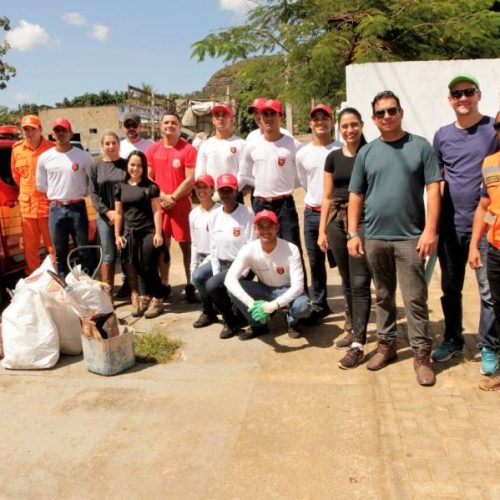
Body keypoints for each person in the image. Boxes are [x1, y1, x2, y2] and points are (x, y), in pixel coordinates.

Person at [347, 90, 441, 386]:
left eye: (391, 111)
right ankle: (385, 346)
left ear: (400, 112)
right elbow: (355, 195)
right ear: (373, 119)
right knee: (384, 296)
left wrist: (430, 231)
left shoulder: (421, 147)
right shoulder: (367, 152)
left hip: (410, 238)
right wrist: (352, 232)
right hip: (374, 237)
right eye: (380, 113)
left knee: (415, 298)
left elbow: (434, 189)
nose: (386, 117)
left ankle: (421, 356)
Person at [432, 73, 499, 371]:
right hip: (450, 227)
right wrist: (431, 225)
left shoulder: (492, 130)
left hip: (485, 227)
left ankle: (488, 347)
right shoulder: (442, 136)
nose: (463, 98)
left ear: (478, 95)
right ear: (450, 100)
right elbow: (438, 182)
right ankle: (452, 338)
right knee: (450, 287)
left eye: (468, 92)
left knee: (488, 292)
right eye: (456, 94)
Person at [318, 107, 372, 369]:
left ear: (361, 125)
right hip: (335, 221)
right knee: (346, 278)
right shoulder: (333, 157)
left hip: (361, 220)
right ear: (339, 128)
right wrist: (321, 230)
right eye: (345, 126)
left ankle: (359, 339)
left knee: (361, 280)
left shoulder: (371, 153)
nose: (349, 130)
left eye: (354, 125)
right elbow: (326, 196)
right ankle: (351, 326)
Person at [225, 209, 313, 340]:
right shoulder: (248, 249)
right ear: (255, 229)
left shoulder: (291, 249)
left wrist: (274, 305)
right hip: (264, 289)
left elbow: (298, 286)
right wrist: (251, 304)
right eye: (261, 227)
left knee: (303, 307)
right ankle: (257, 324)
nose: (265, 230)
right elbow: (229, 279)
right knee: (232, 289)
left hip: (286, 289)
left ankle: (292, 321)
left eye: (270, 226)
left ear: (277, 227)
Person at [297, 104, 342, 320]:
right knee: (315, 263)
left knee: (343, 261)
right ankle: (320, 304)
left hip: (336, 214)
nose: (320, 122)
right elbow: (306, 182)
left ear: (331, 122)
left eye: (325, 118)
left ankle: (351, 307)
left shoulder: (340, 149)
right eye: (316, 119)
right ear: (310, 123)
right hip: (312, 213)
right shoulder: (303, 153)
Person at [239, 99, 303, 250]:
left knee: (292, 248)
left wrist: (285, 185)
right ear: (260, 117)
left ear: (281, 117)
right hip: (261, 204)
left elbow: (301, 176)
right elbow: (244, 174)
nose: (268, 118)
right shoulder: (252, 146)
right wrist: (263, 183)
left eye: (273, 114)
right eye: (264, 114)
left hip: (285, 205)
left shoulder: (293, 145)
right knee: (263, 250)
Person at [147, 112, 197, 303]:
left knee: (187, 246)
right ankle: (165, 283)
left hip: (181, 204)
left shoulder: (188, 149)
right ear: (160, 126)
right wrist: (162, 196)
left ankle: (191, 283)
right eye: (166, 122)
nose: (169, 125)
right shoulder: (153, 150)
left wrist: (174, 197)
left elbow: (190, 178)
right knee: (162, 247)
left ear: (179, 126)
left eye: (173, 123)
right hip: (160, 206)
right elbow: (149, 178)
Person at [36, 118, 95, 276]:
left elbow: (92, 181)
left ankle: (87, 288)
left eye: (64, 130)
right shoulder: (44, 158)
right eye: (57, 131)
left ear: (71, 133)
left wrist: (82, 191)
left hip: (78, 208)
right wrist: (59, 194)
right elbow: (41, 184)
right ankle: (64, 289)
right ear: (53, 135)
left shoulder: (83, 157)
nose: (61, 133)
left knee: (83, 251)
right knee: (60, 253)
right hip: (56, 210)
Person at [468, 111, 500, 389]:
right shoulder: (490, 164)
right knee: (494, 303)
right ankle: (494, 359)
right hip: (495, 247)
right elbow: (485, 207)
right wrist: (475, 243)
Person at [114, 150, 164, 319]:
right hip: (130, 234)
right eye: (132, 165)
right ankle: (144, 297)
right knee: (136, 265)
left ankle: (157, 298)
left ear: (144, 167)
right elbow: (119, 213)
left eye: (139, 165)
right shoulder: (120, 186)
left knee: (148, 266)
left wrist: (158, 233)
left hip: (148, 231)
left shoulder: (150, 187)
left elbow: (157, 210)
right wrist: (118, 235)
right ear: (127, 166)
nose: (135, 168)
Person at [205, 173, 254, 339]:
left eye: (229, 191)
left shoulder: (247, 212)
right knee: (212, 284)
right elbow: (213, 246)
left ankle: (233, 319)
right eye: (222, 191)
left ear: (236, 191)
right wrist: (216, 271)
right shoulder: (213, 216)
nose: (226, 195)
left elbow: (251, 243)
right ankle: (230, 321)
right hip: (223, 264)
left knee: (212, 285)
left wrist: (244, 270)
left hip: (241, 265)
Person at [10, 115, 55, 274]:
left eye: (33, 129)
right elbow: (16, 176)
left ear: (40, 129)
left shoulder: (51, 148)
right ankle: (34, 278)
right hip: (27, 207)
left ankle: (58, 277)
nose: (29, 133)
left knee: (53, 246)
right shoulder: (17, 150)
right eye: (26, 129)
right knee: (30, 248)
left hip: (48, 206)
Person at [89, 131, 127, 295]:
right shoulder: (95, 166)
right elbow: (93, 193)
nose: (111, 146)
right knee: (109, 254)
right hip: (105, 217)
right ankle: (108, 293)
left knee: (127, 252)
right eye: (107, 143)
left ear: (119, 145)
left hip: (125, 215)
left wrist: (119, 213)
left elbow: (132, 189)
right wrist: (108, 213)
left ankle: (131, 290)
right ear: (102, 146)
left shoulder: (126, 165)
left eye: (114, 143)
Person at [190, 175, 220, 328]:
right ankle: (209, 310)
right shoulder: (193, 214)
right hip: (201, 257)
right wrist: (192, 265)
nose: (201, 191)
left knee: (201, 278)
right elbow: (194, 243)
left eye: (205, 187)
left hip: (217, 258)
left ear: (212, 189)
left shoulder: (220, 211)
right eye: (198, 187)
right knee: (197, 277)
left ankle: (208, 311)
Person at [195, 104, 245, 181]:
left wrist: (233, 188)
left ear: (232, 120)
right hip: (211, 192)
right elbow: (200, 173)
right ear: (213, 121)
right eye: (217, 115)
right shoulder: (205, 145)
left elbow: (244, 172)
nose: (220, 118)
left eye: (224, 115)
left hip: (234, 191)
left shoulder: (241, 144)